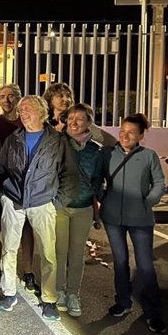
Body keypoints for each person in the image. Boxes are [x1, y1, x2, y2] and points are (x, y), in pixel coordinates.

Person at [0, 95, 79, 321]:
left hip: (43, 202)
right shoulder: (14, 139)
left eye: (27, 109)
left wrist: (56, 202)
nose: (22, 113)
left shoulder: (57, 140)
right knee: (9, 249)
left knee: (48, 254)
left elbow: (69, 175)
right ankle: (8, 292)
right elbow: (1, 168)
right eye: (21, 110)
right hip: (14, 201)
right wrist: (3, 195)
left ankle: (49, 299)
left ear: (41, 112)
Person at [100, 113, 166, 333]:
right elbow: (96, 178)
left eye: (130, 132)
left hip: (140, 218)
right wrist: (101, 197)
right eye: (122, 131)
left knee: (145, 265)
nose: (125, 135)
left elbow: (159, 182)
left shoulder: (149, 156)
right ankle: (123, 302)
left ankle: (153, 312)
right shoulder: (107, 154)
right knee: (120, 262)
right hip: (113, 218)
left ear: (140, 135)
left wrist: (148, 201)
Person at [0, 84, 35, 291]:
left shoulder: (28, 122)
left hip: (26, 184)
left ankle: (29, 271)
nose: (5, 100)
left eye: (10, 96)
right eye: (1, 97)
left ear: (19, 98)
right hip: (2, 184)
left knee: (26, 228)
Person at [55, 103, 103, 317]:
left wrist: (99, 205)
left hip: (83, 208)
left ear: (88, 123)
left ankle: (73, 293)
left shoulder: (95, 150)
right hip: (59, 207)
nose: (74, 122)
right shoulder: (57, 143)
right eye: (71, 118)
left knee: (77, 254)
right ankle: (58, 291)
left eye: (80, 119)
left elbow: (98, 180)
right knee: (58, 251)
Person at [43, 82, 117, 147]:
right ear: (50, 99)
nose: (66, 100)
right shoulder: (44, 122)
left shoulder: (79, 121)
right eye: (61, 96)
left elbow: (109, 140)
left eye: (68, 96)